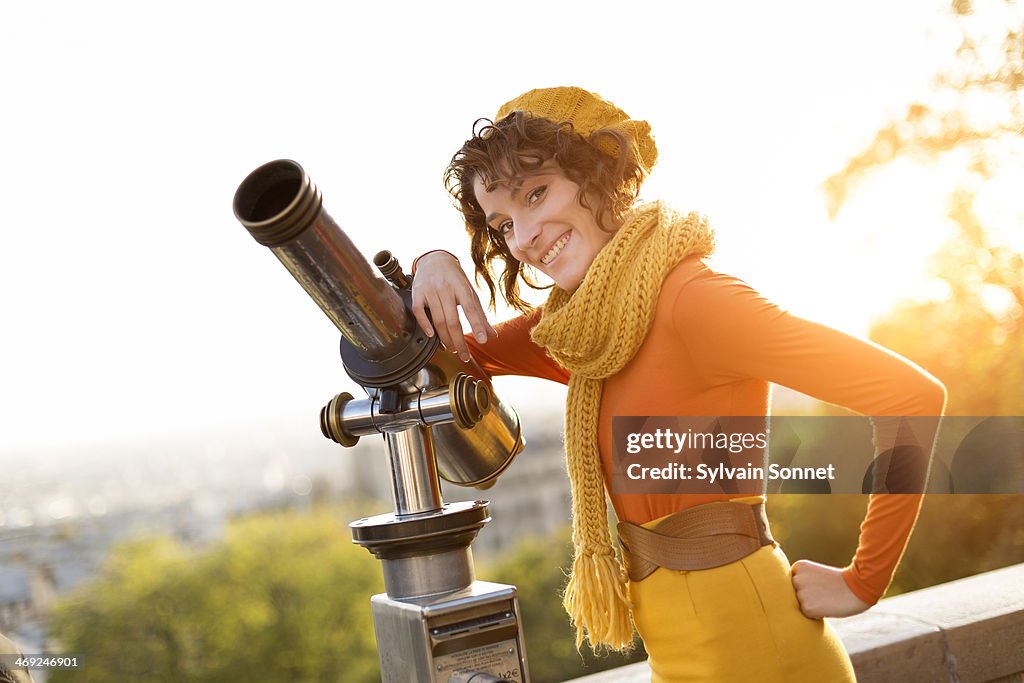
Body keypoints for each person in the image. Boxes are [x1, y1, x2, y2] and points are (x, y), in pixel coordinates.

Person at [410, 86, 946, 682]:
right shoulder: (585, 333)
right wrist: (433, 261)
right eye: (504, 223)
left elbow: (910, 396)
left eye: (538, 194)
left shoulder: (694, 300)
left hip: (756, 647)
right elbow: (430, 353)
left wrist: (863, 580)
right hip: (678, 651)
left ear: (599, 177)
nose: (525, 237)